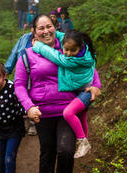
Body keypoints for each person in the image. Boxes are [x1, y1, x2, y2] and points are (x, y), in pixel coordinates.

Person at [14, 15, 102, 173]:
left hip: (68, 109)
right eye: (40, 28)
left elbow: (89, 66)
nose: (45, 31)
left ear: (56, 28)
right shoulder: (27, 55)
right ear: (34, 32)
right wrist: (28, 107)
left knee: (65, 150)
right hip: (42, 113)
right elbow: (19, 85)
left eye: (49, 26)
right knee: (47, 153)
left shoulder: (68, 47)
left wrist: (96, 87)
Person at [32, 30, 96, 158]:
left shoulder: (74, 60)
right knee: (82, 116)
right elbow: (63, 36)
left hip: (85, 92)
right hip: (82, 89)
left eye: (73, 50)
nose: (68, 53)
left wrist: (38, 46)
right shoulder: (84, 48)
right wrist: (51, 30)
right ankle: (84, 141)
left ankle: (82, 141)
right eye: (66, 49)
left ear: (80, 46)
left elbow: (54, 55)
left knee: (68, 113)